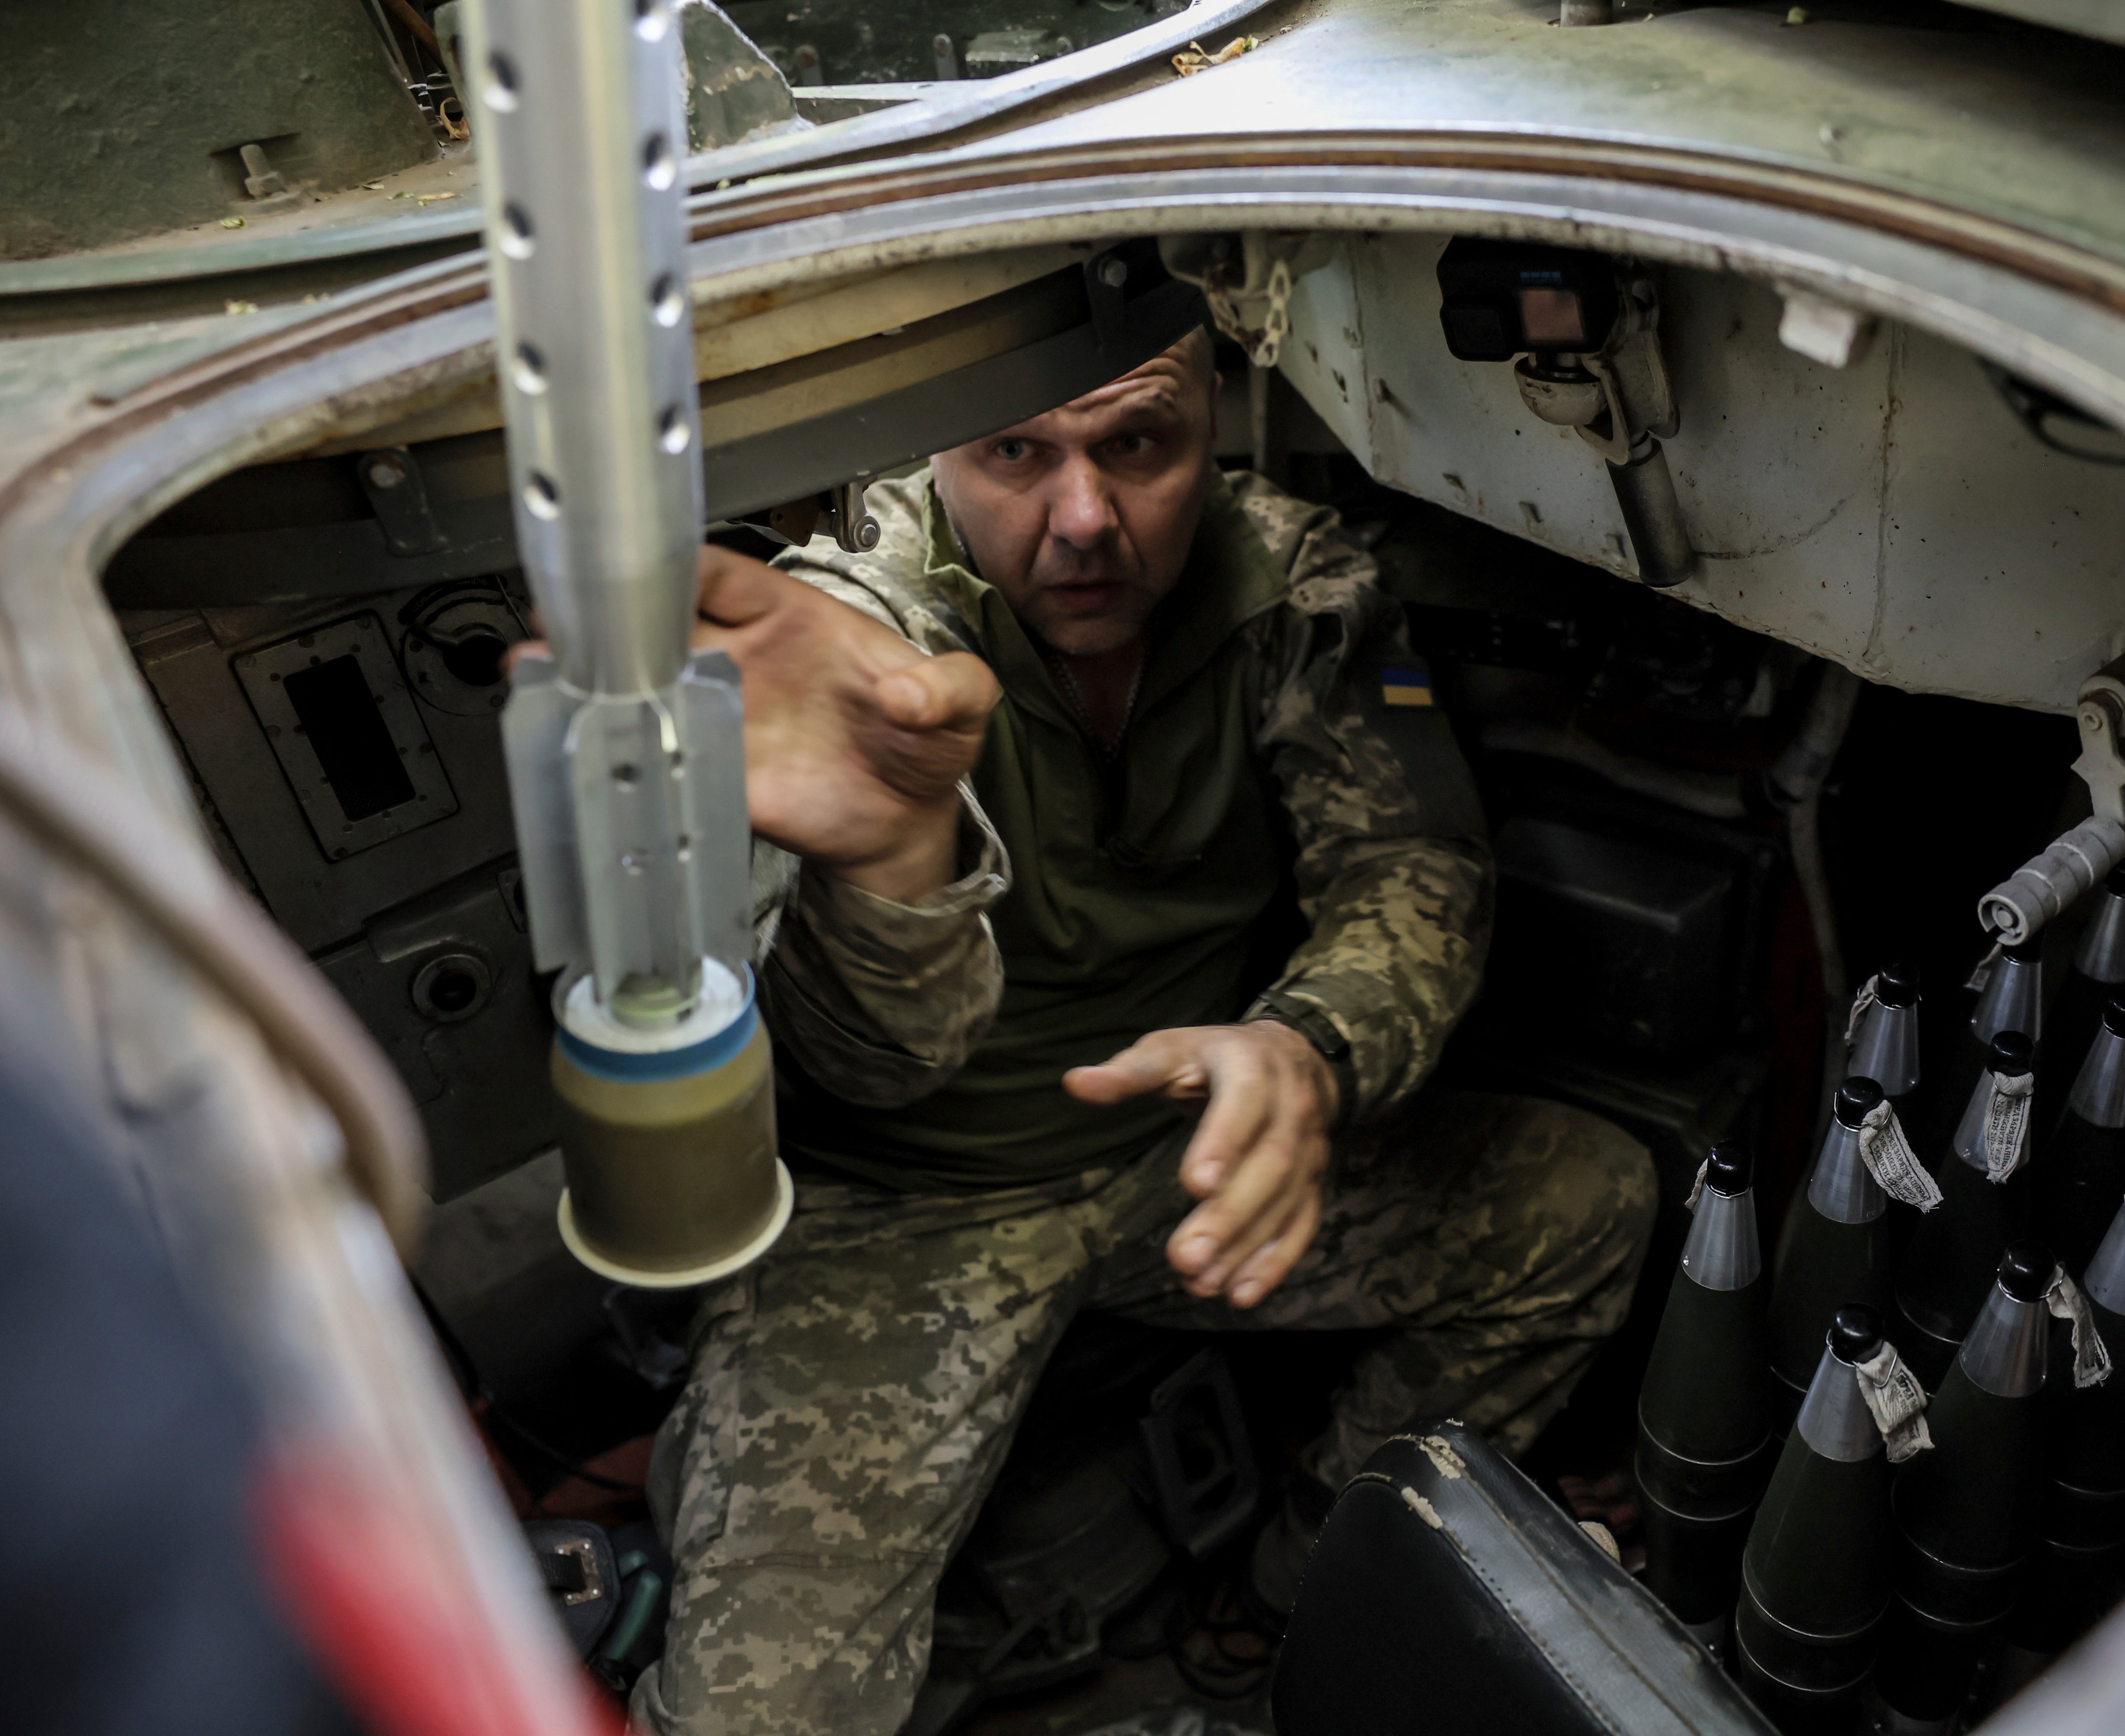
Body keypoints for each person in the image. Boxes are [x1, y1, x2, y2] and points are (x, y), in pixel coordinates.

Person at [630, 325, 1657, 1735]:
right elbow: (862, 1065)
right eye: (1014, 454)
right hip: (909, 1205)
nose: (1084, 520)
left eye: (1136, 445)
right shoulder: (852, 652)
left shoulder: (1293, 590)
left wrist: (1312, 1046)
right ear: (932, 448)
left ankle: (1292, 1597)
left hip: (1187, 1154)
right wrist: (889, 873)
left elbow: (1412, 864)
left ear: (1212, 421)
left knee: (1584, 1207)